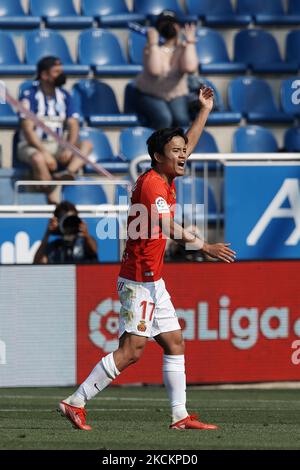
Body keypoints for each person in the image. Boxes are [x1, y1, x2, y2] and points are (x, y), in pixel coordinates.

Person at [59, 85, 236, 431]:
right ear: (159, 156)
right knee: (132, 351)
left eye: (184, 151)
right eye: (176, 151)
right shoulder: (153, 184)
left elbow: (190, 142)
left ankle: (180, 415)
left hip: (153, 279)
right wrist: (204, 246)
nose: (184, 155)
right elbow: (166, 225)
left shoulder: (167, 175)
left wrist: (204, 111)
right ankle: (74, 401)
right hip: (138, 279)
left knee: (174, 341)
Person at [17, 56, 93, 204]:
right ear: (44, 75)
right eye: (56, 71)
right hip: (33, 145)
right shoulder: (29, 95)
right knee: (38, 159)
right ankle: (51, 198)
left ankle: (67, 173)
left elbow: (73, 124)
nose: (61, 74)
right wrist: (44, 153)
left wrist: (69, 147)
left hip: (57, 144)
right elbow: (27, 128)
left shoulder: (65, 95)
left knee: (87, 145)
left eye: (61, 71)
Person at [134, 10, 198, 129]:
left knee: (182, 119)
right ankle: (158, 146)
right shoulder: (151, 48)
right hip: (150, 93)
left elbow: (190, 68)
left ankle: (182, 147)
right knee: (164, 119)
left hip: (175, 94)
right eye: (164, 24)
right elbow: (155, 71)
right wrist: (153, 44)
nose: (168, 27)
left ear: (178, 27)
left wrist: (190, 43)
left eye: (172, 23)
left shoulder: (183, 46)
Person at [33, 201, 98, 264]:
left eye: (72, 221)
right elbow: (37, 262)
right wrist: (48, 232)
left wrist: (86, 234)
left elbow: (94, 250)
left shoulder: (84, 243)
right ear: (58, 222)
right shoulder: (54, 247)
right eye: (66, 221)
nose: (69, 225)